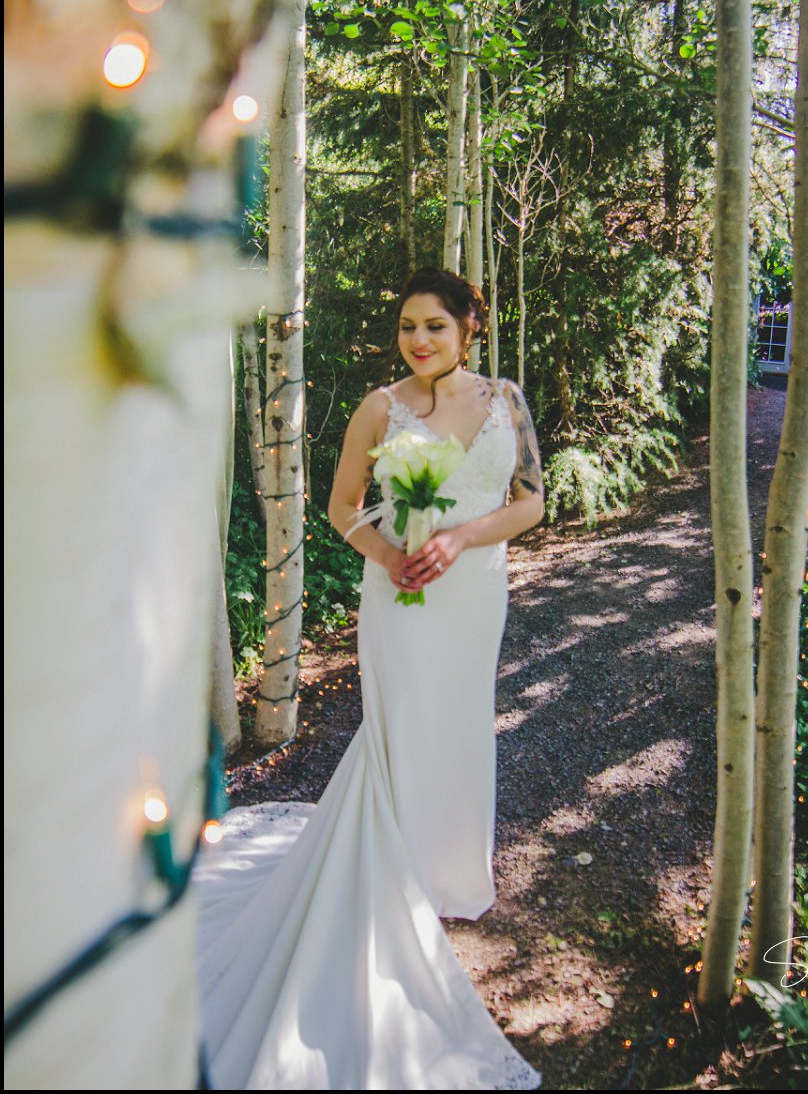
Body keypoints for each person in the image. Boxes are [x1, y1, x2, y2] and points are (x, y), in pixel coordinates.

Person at [192, 267, 547, 1088]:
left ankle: (449, 871)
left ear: (469, 327)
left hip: (473, 592)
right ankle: (392, 879)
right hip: (400, 597)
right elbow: (342, 504)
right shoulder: (379, 408)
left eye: (434, 326)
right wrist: (392, 554)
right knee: (401, 727)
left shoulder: (506, 402)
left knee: (460, 722)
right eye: (407, 328)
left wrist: (461, 540)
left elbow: (530, 500)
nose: (419, 341)